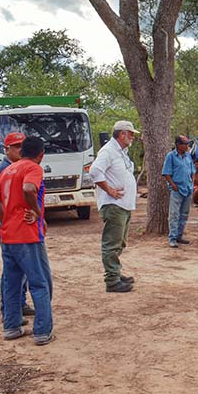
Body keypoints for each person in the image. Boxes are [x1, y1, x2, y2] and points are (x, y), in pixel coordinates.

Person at [0, 136, 55, 345]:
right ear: (41, 154)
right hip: (26, 235)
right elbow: (28, 189)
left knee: (12, 282)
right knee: (40, 282)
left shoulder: (8, 169)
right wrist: (37, 212)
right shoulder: (33, 168)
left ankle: (12, 327)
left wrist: (6, 218)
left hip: (8, 236)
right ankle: (42, 331)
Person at [88, 120, 139, 293]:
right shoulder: (108, 151)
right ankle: (112, 280)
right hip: (114, 205)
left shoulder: (121, 152)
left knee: (120, 242)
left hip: (122, 204)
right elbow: (94, 171)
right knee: (112, 242)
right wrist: (109, 190)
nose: (132, 137)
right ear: (122, 134)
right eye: (130, 133)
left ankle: (115, 272)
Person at [0, 132, 33, 318]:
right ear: (6, 149)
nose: (20, 149)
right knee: (11, 272)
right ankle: (9, 311)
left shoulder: (17, 167)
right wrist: (7, 222)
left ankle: (19, 305)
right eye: (16, 146)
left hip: (18, 228)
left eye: (22, 146)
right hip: (11, 230)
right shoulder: (3, 170)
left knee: (20, 270)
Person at [162, 135, 196, 248]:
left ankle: (179, 236)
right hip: (177, 189)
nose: (187, 146)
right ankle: (172, 238)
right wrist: (173, 185)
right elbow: (166, 173)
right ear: (178, 145)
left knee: (184, 214)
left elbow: (192, 171)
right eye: (185, 144)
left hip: (188, 188)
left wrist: (192, 183)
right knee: (174, 214)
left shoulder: (188, 156)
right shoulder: (171, 156)